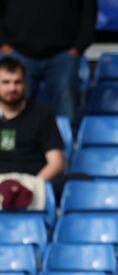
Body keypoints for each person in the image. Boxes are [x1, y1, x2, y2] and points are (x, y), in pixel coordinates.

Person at [0, 0, 96, 126]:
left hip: (63, 55)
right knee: (12, 111)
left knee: (66, 112)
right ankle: (12, 145)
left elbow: (89, 11)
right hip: (17, 52)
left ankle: (65, 144)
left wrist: (78, 46)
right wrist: (2, 43)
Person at [0, 56, 64, 207]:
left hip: (33, 180)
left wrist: (33, 185)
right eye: (5, 82)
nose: (12, 88)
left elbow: (56, 162)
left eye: (17, 82)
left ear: (25, 84)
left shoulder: (42, 113)